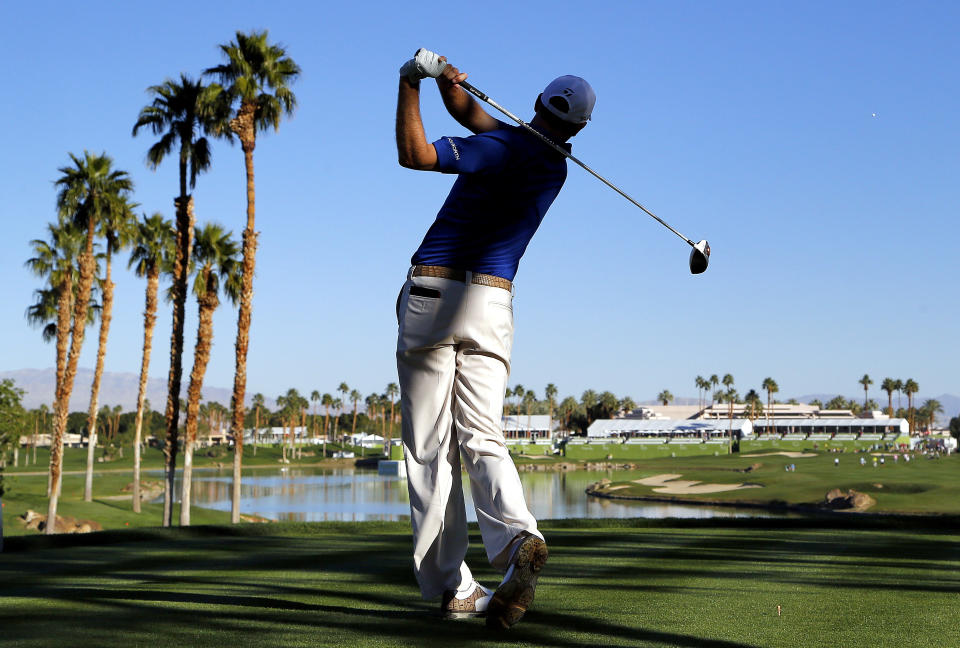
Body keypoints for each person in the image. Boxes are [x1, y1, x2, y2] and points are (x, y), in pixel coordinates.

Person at [393, 48, 595, 628]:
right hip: (492, 303)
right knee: (483, 436)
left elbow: (415, 155)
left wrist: (410, 82)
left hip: (435, 294)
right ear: (578, 128)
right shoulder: (551, 164)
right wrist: (448, 87)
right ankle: (518, 542)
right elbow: (474, 118)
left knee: (430, 448)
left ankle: (451, 586)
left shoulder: (504, 145)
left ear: (536, 103)